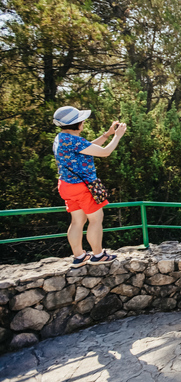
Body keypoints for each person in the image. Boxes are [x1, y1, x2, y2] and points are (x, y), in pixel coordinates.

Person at [52, 106, 127, 267]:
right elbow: (105, 152)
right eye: (82, 120)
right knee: (96, 219)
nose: (84, 122)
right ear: (77, 124)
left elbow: (87, 149)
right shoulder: (75, 140)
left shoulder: (61, 138)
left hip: (66, 185)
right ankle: (98, 255)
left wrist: (107, 135)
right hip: (82, 186)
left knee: (77, 221)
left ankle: (79, 256)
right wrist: (118, 136)